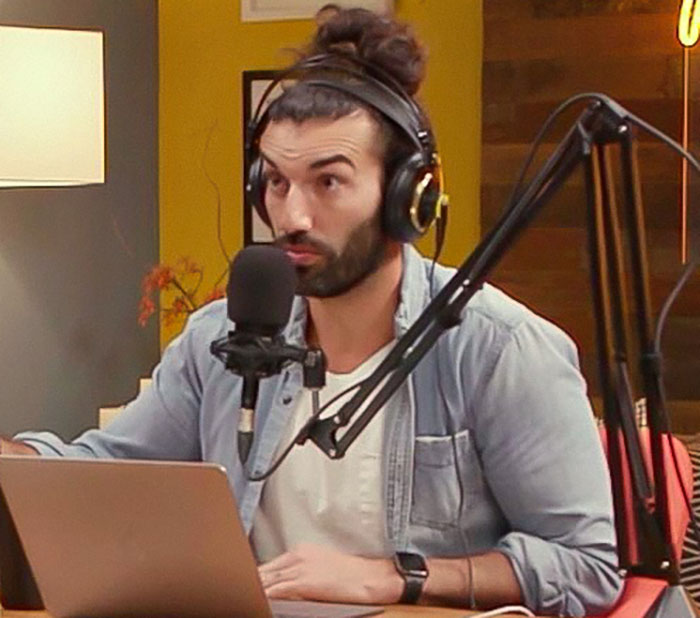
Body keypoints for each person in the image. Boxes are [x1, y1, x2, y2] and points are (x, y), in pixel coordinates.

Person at [1, 6, 622, 616]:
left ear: (410, 197)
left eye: (329, 182)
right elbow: (107, 473)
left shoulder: (499, 349)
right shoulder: (219, 339)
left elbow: (587, 565)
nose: (292, 216)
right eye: (275, 182)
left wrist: (395, 578)